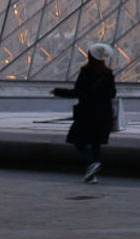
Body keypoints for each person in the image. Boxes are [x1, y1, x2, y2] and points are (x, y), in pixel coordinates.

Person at [50, 42, 118, 184]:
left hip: (87, 113)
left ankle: (92, 164)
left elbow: (77, 92)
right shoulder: (108, 73)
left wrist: (57, 91)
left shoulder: (86, 72)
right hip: (103, 114)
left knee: (78, 141)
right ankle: (92, 175)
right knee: (95, 143)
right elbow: (112, 94)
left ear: (89, 57)